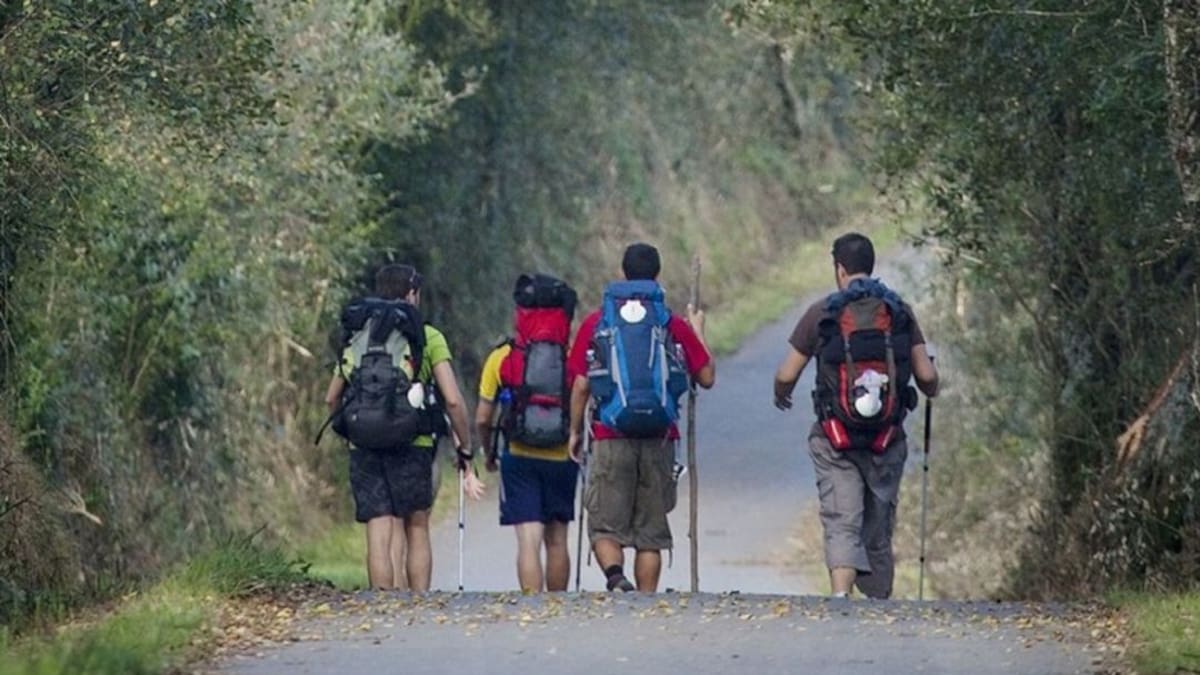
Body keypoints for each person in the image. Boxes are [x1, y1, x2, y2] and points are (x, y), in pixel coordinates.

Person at [772, 233, 938, 599]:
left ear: (840, 269)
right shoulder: (899, 312)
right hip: (886, 439)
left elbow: (786, 374)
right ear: (871, 266)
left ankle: (840, 600)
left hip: (835, 438)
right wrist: (933, 386)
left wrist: (780, 395)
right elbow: (925, 377)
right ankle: (878, 603)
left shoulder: (822, 313)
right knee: (878, 527)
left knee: (842, 520)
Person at [324, 263, 485, 591]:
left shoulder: (359, 336)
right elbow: (453, 400)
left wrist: (352, 430)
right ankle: (419, 607)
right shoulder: (427, 336)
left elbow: (331, 399)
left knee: (379, 525)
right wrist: (465, 446)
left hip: (365, 444)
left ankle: (383, 605)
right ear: (412, 294)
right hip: (415, 443)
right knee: (416, 525)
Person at [567, 243, 715, 593]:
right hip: (660, 438)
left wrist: (574, 431)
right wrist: (697, 330)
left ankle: (616, 579)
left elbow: (581, 385)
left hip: (608, 434)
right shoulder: (671, 323)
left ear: (622, 273)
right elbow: (706, 377)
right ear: (657, 276)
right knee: (651, 532)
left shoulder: (598, 321)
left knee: (604, 526)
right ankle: (646, 604)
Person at [474, 273, 580, 592]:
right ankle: (558, 605)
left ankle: (532, 606)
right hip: (563, 455)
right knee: (557, 539)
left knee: (528, 539)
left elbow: (482, 418)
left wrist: (489, 452)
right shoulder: (571, 358)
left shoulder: (502, 357)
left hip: (519, 455)